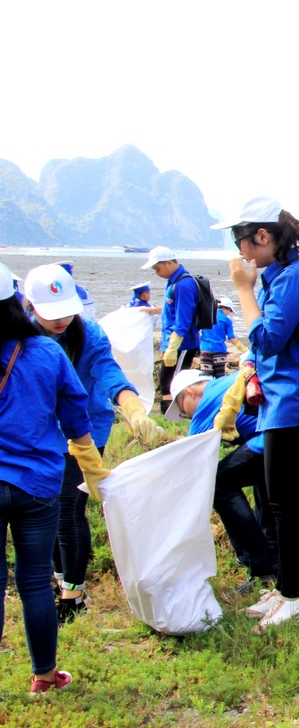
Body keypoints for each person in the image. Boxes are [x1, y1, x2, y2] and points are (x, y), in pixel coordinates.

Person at [212, 197, 299, 628]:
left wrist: (243, 289)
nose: (241, 252)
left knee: (286, 505)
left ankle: (294, 594)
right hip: (286, 406)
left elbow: (267, 340)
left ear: (263, 236)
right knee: (278, 500)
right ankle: (284, 586)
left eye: (242, 242)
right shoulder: (281, 275)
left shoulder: (293, 280)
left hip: (298, 408)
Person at [23, 263, 159, 623]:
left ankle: (74, 593)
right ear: (28, 306)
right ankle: (57, 576)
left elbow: (108, 371)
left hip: (85, 429)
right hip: (39, 432)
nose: (61, 320)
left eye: (67, 311)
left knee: (69, 506)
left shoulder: (90, 335)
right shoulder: (21, 339)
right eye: (51, 314)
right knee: (44, 504)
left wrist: (132, 407)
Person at [0, 261, 109, 695]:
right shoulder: (47, 353)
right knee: (34, 582)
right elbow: (75, 420)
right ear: (16, 302)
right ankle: (45, 676)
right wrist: (95, 473)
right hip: (37, 486)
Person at [167, 366, 299, 591]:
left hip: (295, 431)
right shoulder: (229, 381)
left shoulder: (208, 400)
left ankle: (260, 564)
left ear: (189, 392)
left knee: (219, 483)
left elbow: (193, 461)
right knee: (263, 473)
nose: (186, 416)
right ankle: (275, 559)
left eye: (182, 410)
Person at [143, 246, 201, 414]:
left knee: (174, 381)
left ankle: (177, 414)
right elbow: (173, 311)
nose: (157, 273)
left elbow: (184, 319)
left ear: (169, 263)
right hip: (173, 343)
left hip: (182, 344)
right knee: (166, 380)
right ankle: (169, 414)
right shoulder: (174, 282)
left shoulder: (183, 284)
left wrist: (173, 347)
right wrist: (154, 311)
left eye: (157, 268)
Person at [198, 298, 242, 379]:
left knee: (206, 376)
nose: (229, 313)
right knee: (220, 376)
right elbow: (231, 337)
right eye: (230, 311)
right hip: (219, 351)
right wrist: (243, 350)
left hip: (205, 349)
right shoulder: (227, 320)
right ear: (227, 309)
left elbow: (197, 330)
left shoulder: (206, 316)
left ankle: (207, 391)